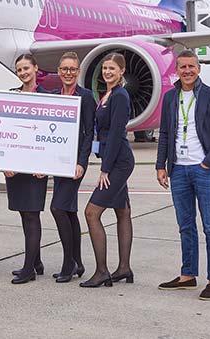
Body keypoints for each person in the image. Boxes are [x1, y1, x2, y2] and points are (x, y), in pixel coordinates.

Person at [156, 49, 210, 300]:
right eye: (182, 67)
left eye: (191, 66)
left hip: (204, 171)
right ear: (176, 70)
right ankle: (188, 275)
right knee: (185, 226)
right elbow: (166, 134)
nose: (187, 71)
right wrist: (161, 165)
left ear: (199, 68)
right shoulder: (170, 97)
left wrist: (208, 163)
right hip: (178, 170)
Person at [81, 52, 135, 288]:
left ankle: (102, 271)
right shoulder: (108, 94)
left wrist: (105, 169)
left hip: (119, 162)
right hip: (116, 160)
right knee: (122, 212)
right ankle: (124, 268)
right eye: (105, 68)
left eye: (112, 68)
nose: (107, 72)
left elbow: (115, 133)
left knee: (92, 213)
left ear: (122, 71)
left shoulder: (120, 96)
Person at [49, 52, 94, 283]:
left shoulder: (85, 97)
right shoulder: (55, 95)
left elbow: (88, 133)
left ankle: (69, 263)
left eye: (72, 69)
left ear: (78, 72)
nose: (68, 73)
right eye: (64, 69)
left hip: (73, 163)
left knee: (57, 208)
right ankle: (78, 262)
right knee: (68, 211)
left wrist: (82, 163)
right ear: (59, 71)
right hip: (57, 162)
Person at [6, 54, 49, 284]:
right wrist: (4, 163)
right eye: (19, 70)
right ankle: (36, 261)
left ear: (35, 68)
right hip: (15, 166)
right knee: (24, 213)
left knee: (32, 214)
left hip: (36, 168)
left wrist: (48, 165)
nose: (23, 73)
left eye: (26, 68)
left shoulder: (47, 97)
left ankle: (28, 269)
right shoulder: (12, 96)